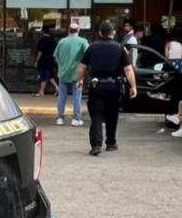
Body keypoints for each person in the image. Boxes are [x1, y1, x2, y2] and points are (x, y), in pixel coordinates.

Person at [77, 21, 137, 156]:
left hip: (96, 85)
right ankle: (111, 143)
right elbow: (128, 69)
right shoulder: (120, 48)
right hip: (114, 86)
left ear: (99, 32)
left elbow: (82, 67)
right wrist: (133, 86)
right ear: (113, 33)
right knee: (112, 114)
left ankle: (96, 145)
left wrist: (79, 80)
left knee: (96, 115)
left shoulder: (92, 47)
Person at [53, 22, 89, 126]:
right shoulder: (83, 41)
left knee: (62, 96)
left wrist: (62, 66)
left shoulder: (61, 42)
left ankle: (60, 118)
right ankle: (76, 119)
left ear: (69, 30)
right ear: (78, 30)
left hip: (63, 74)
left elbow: (56, 57)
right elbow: (88, 53)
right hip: (77, 74)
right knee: (77, 96)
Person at [34, 26, 58, 97]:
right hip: (51, 60)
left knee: (44, 76)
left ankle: (41, 91)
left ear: (43, 32)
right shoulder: (53, 40)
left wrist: (36, 61)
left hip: (43, 60)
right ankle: (57, 88)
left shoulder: (42, 40)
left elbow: (40, 52)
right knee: (50, 75)